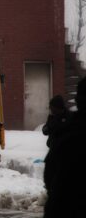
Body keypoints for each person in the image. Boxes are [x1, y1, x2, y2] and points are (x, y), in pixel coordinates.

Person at [44, 78, 86, 217]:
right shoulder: (66, 128)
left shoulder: (69, 130)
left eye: (53, 107)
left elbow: (51, 174)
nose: (51, 110)